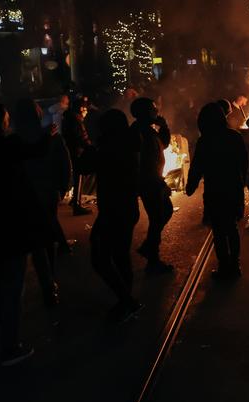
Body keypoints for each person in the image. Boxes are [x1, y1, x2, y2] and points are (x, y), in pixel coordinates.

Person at [0, 102, 54, 365]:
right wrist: (48, 135)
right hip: (12, 228)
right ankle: (9, 347)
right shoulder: (9, 145)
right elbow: (36, 151)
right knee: (11, 288)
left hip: (10, 227)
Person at [14, 98, 71, 307]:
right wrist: (62, 187)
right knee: (43, 241)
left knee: (33, 242)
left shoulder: (14, 140)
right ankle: (48, 284)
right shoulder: (49, 136)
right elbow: (63, 163)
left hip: (25, 196)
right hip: (42, 194)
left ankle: (41, 286)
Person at [89, 109, 143, 323]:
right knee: (120, 256)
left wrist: (92, 147)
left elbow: (86, 165)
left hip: (115, 209)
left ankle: (127, 300)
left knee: (101, 256)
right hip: (124, 207)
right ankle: (126, 300)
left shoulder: (111, 148)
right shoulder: (127, 143)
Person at [186, 103, 249, 279]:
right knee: (232, 227)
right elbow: (244, 163)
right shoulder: (234, 137)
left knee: (219, 231)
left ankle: (224, 266)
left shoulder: (205, 141)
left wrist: (190, 186)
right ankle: (234, 265)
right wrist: (243, 182)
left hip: (215, 190)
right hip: (233, 188)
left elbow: (197, 166)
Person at [130, 97, 174, 274]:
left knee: (164, 212)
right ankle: (153, 259)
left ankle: (150, 248)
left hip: (154, 180)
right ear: (144, 112)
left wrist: (164, 128)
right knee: (158, 217)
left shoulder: (148, 130)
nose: (156, 112)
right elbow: (138, 161)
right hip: (149, 182)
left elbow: (163, 144)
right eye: (153, 109)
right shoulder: (137, 132)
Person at [62, 98, 93, 215]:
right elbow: (82, 136)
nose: (86, 111)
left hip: (71, 149)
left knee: (77, 175)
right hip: (76, 151)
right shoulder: (76, 119)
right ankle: (77, 204)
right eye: (85, 109)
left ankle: (75, 200)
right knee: (79, 175)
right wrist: (90, 147)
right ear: (81, 108)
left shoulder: (69, 117)